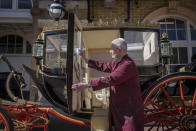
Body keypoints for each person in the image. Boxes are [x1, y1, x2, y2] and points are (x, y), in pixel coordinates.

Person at [72, 38, 144, 131]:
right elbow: (103, 66)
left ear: (120, 50)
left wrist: (87, 84)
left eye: (112, 49)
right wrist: (86, 59)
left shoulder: (127, 64)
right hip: (121, 107)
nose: (110, 51)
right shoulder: (118, 62)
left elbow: (111, 79)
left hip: (128, 110)